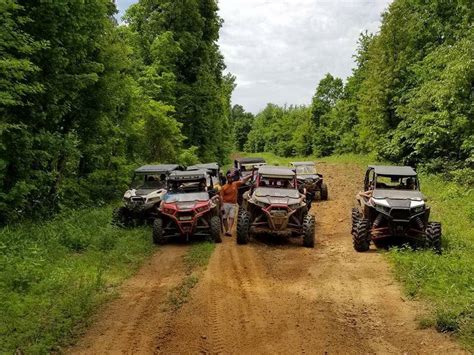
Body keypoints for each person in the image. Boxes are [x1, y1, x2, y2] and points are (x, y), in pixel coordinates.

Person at [220, 170, 252, 236]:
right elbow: (221, 197)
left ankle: (229, 230)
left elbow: (243, 181)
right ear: (227, 179)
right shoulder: (223, 187)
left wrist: (250, 175)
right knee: (224, 218)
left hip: (233, 204)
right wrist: (222, 206)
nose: (231, 179)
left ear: (233, 178)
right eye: (229, 178)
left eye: (231, 178)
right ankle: (227, 230)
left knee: (231, 217)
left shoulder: (235, 184)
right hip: (225, 203)